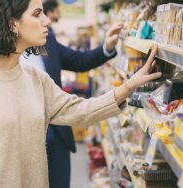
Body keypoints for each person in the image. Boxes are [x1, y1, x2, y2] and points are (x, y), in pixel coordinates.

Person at [0, 0, 161, 187]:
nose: (47, 21)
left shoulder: (33, 77)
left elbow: (79, 111)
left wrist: (128, 87)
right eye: (37, 14)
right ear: (13, 24)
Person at [41, 2, 122, 188]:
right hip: (23, 142)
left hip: (56, 132)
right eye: (37, 13)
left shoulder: (48, 41)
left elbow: (78, 60)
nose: (46, 20)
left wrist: (106, 47)